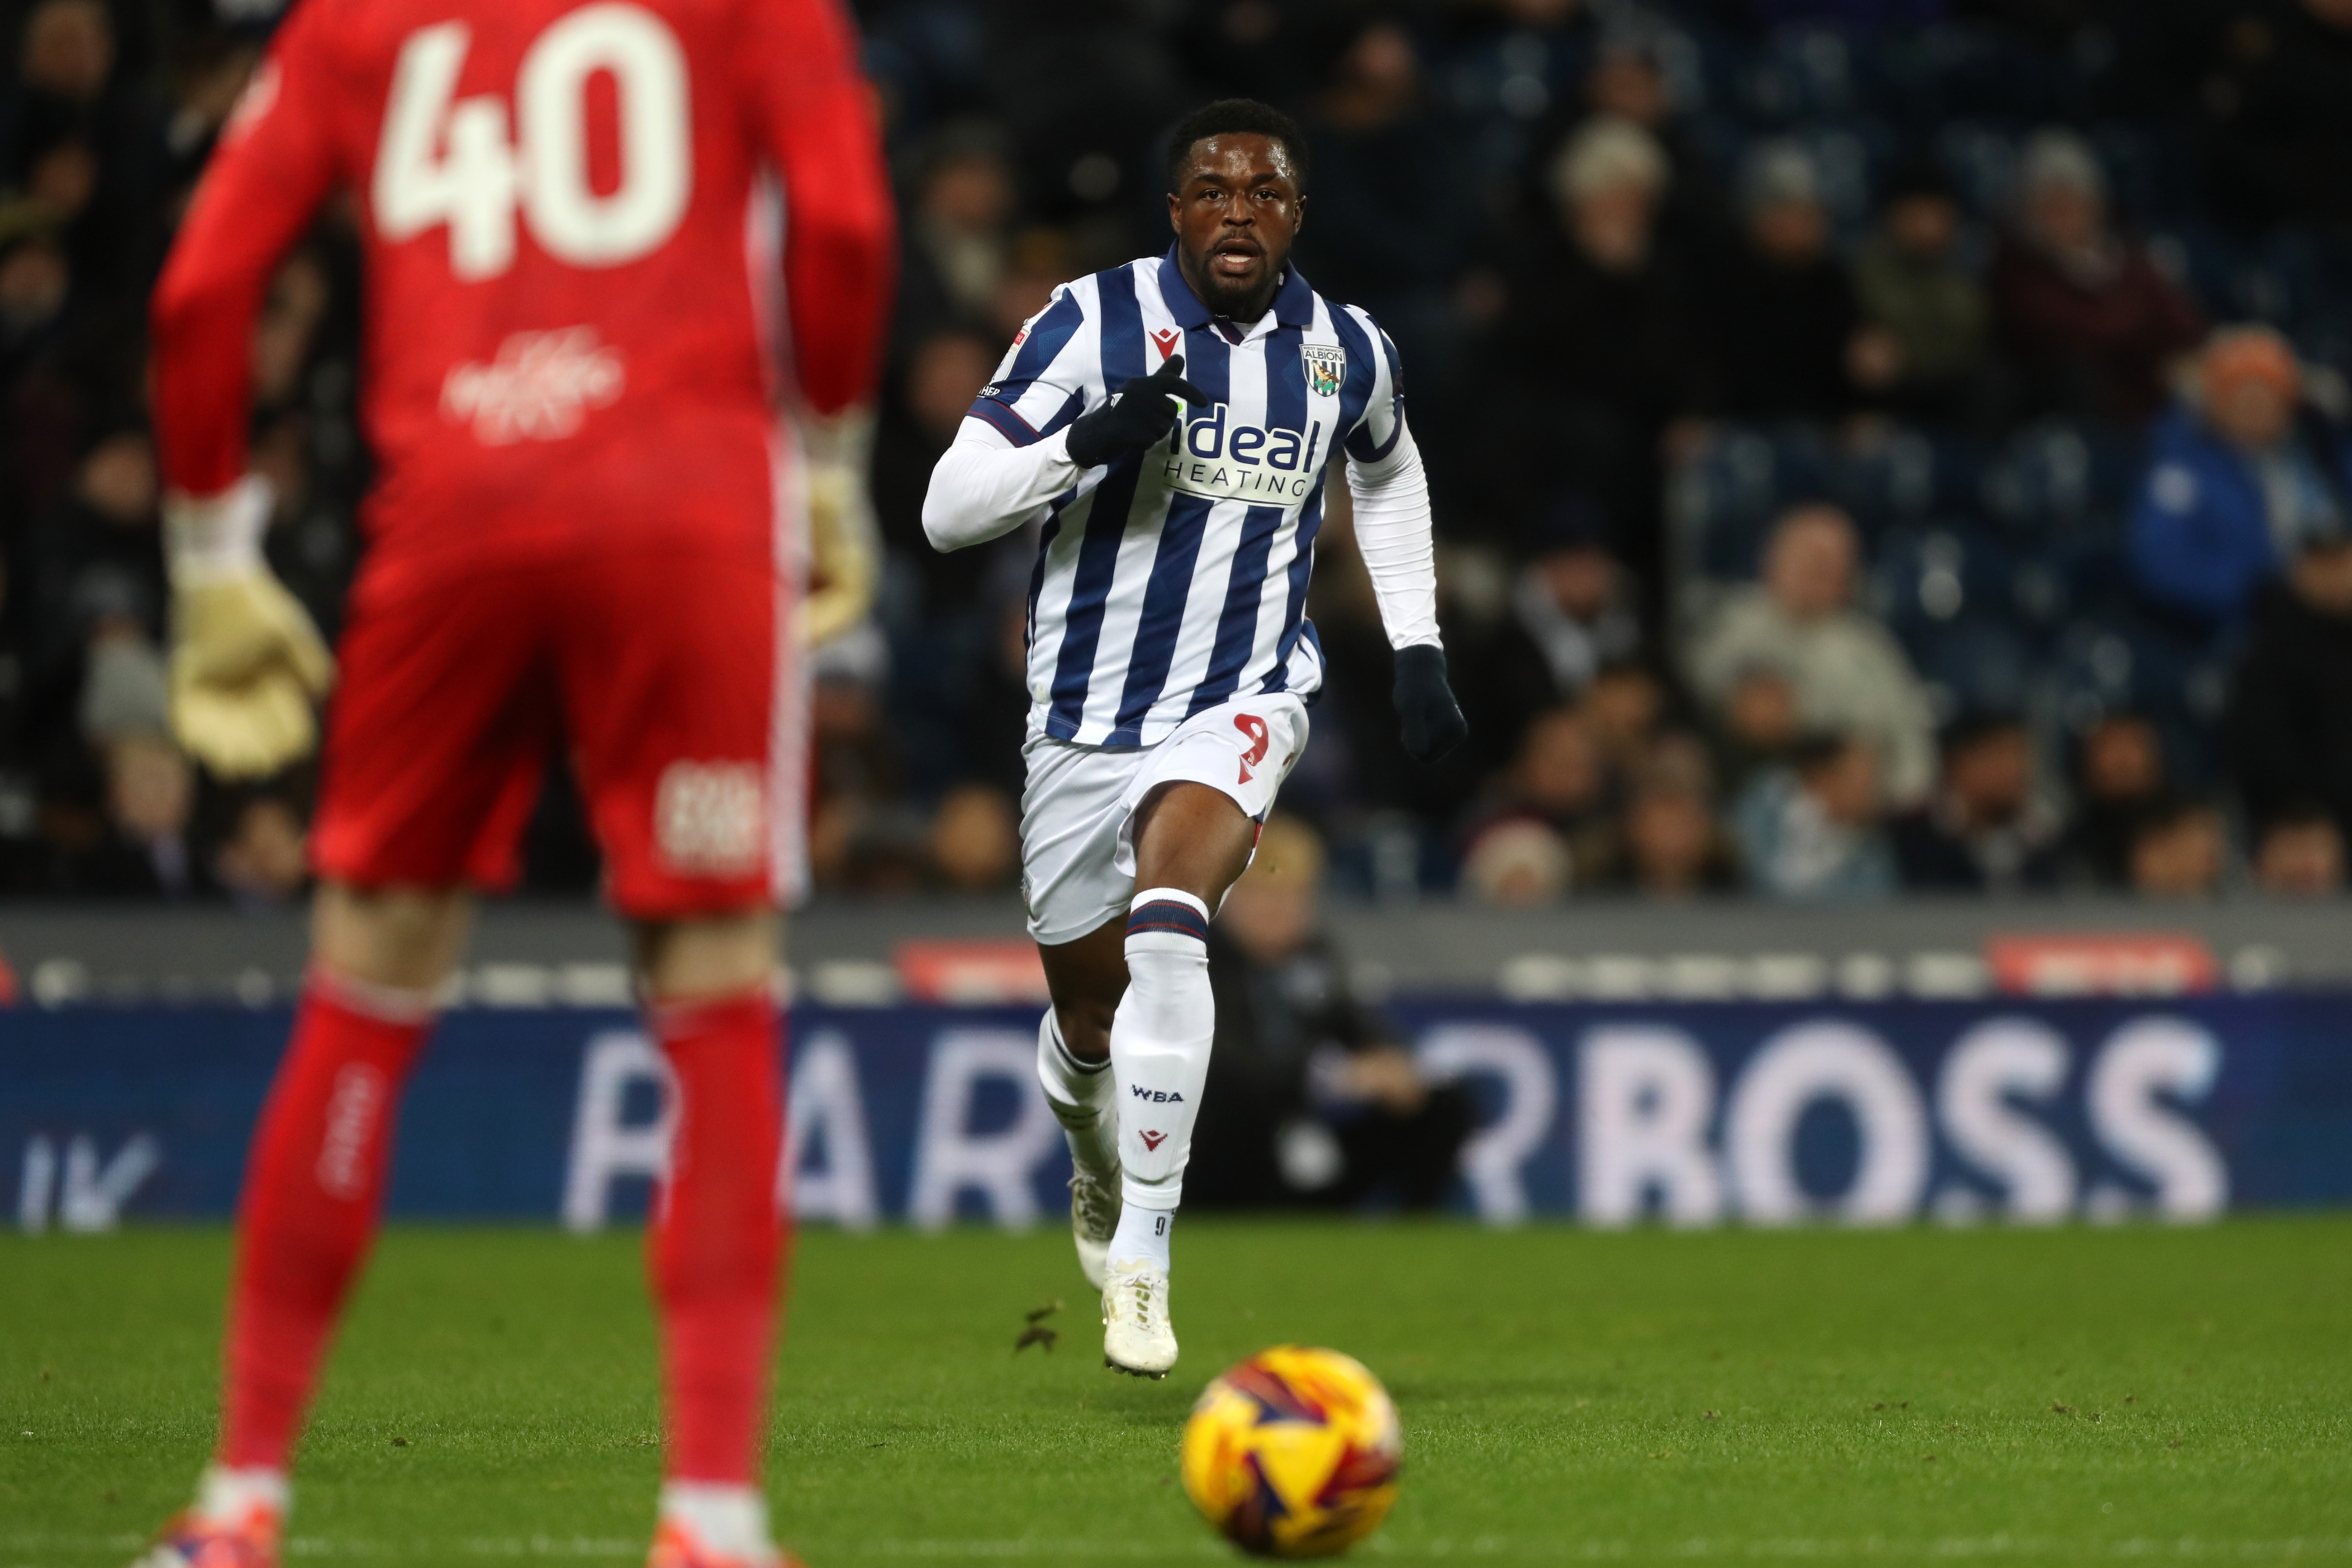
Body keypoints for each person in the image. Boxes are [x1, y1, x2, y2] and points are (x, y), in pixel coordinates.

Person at [132, 1, 894, 1565]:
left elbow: (203, 285)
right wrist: (824, 456)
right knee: (711, 976)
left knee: (366, 984)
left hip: (451, 515)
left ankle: (238, 1503)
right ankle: (711, 1516)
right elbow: (841, 219)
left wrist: (210, 553)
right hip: (682, 507)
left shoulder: (354, 23)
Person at [921, 98, 1465, 1379]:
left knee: (1175, 921)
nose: (1237, 213)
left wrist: (1417, 644)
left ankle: (1146, 1267)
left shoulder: (1346, 349)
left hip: (1243, 695)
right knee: (1085, 1025)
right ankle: (1094, 1166)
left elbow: (1386, 470)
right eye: (1212, 191)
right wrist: (1083, 442)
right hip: (1080, 717)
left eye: (1264, 193)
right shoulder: (1087, 319)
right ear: (1175, 212)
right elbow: (949, 508)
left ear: (1293, 216)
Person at [1188, 815, 1471, 1210]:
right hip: (1221, 1150)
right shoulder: (1197, 961)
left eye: (1293, 896)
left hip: (1299, 1128)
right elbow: (1226, 1069)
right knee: (1229, 1111)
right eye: (1264, 896)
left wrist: (1389, 1063)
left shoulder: (1312, 956)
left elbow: (1354, 1023)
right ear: (1227, 898)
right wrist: (1332, 1077)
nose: (1279, 911)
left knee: (1443, 1103)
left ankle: (1414, 1232)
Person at [1685, 503, 1939, 807]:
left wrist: (1892, 798)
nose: (1821, 571)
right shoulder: (1731, 624)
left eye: (1834, 562)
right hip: (1737, 787)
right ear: (1773, 559)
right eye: (1810, 558)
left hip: (1851, 815)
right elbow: (1698, 707)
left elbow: (1912, 749)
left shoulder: (1869, 647)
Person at [2129, 327, 2352, 629]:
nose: (2255, 407)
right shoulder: (2182, 469)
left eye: (2268, 394)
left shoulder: (2317, 451)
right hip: (2254, 627)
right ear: (2215, 402)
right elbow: (2159, 562)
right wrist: (2273, 586)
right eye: (2241, 393)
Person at [1990, 128, 2204, 424]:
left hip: (2147, 402)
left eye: (2075, 202)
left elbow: (2184, 326)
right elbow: (2075, 330)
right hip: (2076, 408)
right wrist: (2140, 327)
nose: (2066, 216)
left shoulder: (2128, 259)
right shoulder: (2018, 266)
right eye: (2052, 205)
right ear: (2029, 211)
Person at [2227, 526, 2352, 848]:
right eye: (2323, 562)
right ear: (2298, 569)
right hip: (2304, 827)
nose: (2337, 575)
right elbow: (2265, 759)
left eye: (2343, 561)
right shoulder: (2270, 654)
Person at [1890, 712, 2062, 893]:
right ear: (1959, 764)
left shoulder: (2046, 841)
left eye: (2022, 755)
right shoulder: (1912, 840)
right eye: (2001, 754)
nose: (2017, 769)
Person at [1732, 732, 1896, 901]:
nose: (1877, 793)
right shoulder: (1760, 806)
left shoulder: (1872, 858)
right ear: (1823, 775)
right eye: (1866, 781)